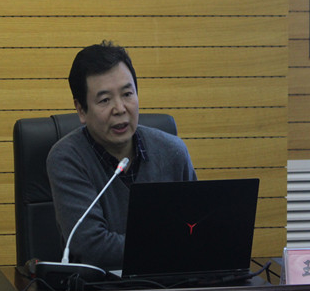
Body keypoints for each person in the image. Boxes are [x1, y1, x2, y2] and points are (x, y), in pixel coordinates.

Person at [47, 41, 197, 270]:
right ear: (81, 110)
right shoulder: (67, 158)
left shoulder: (173, 152)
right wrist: (171, 245)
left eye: (127, 94)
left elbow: (195, 231)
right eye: (105, 100)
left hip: (172, 284)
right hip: (100, 289)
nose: (120, 109)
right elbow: (92, 248)